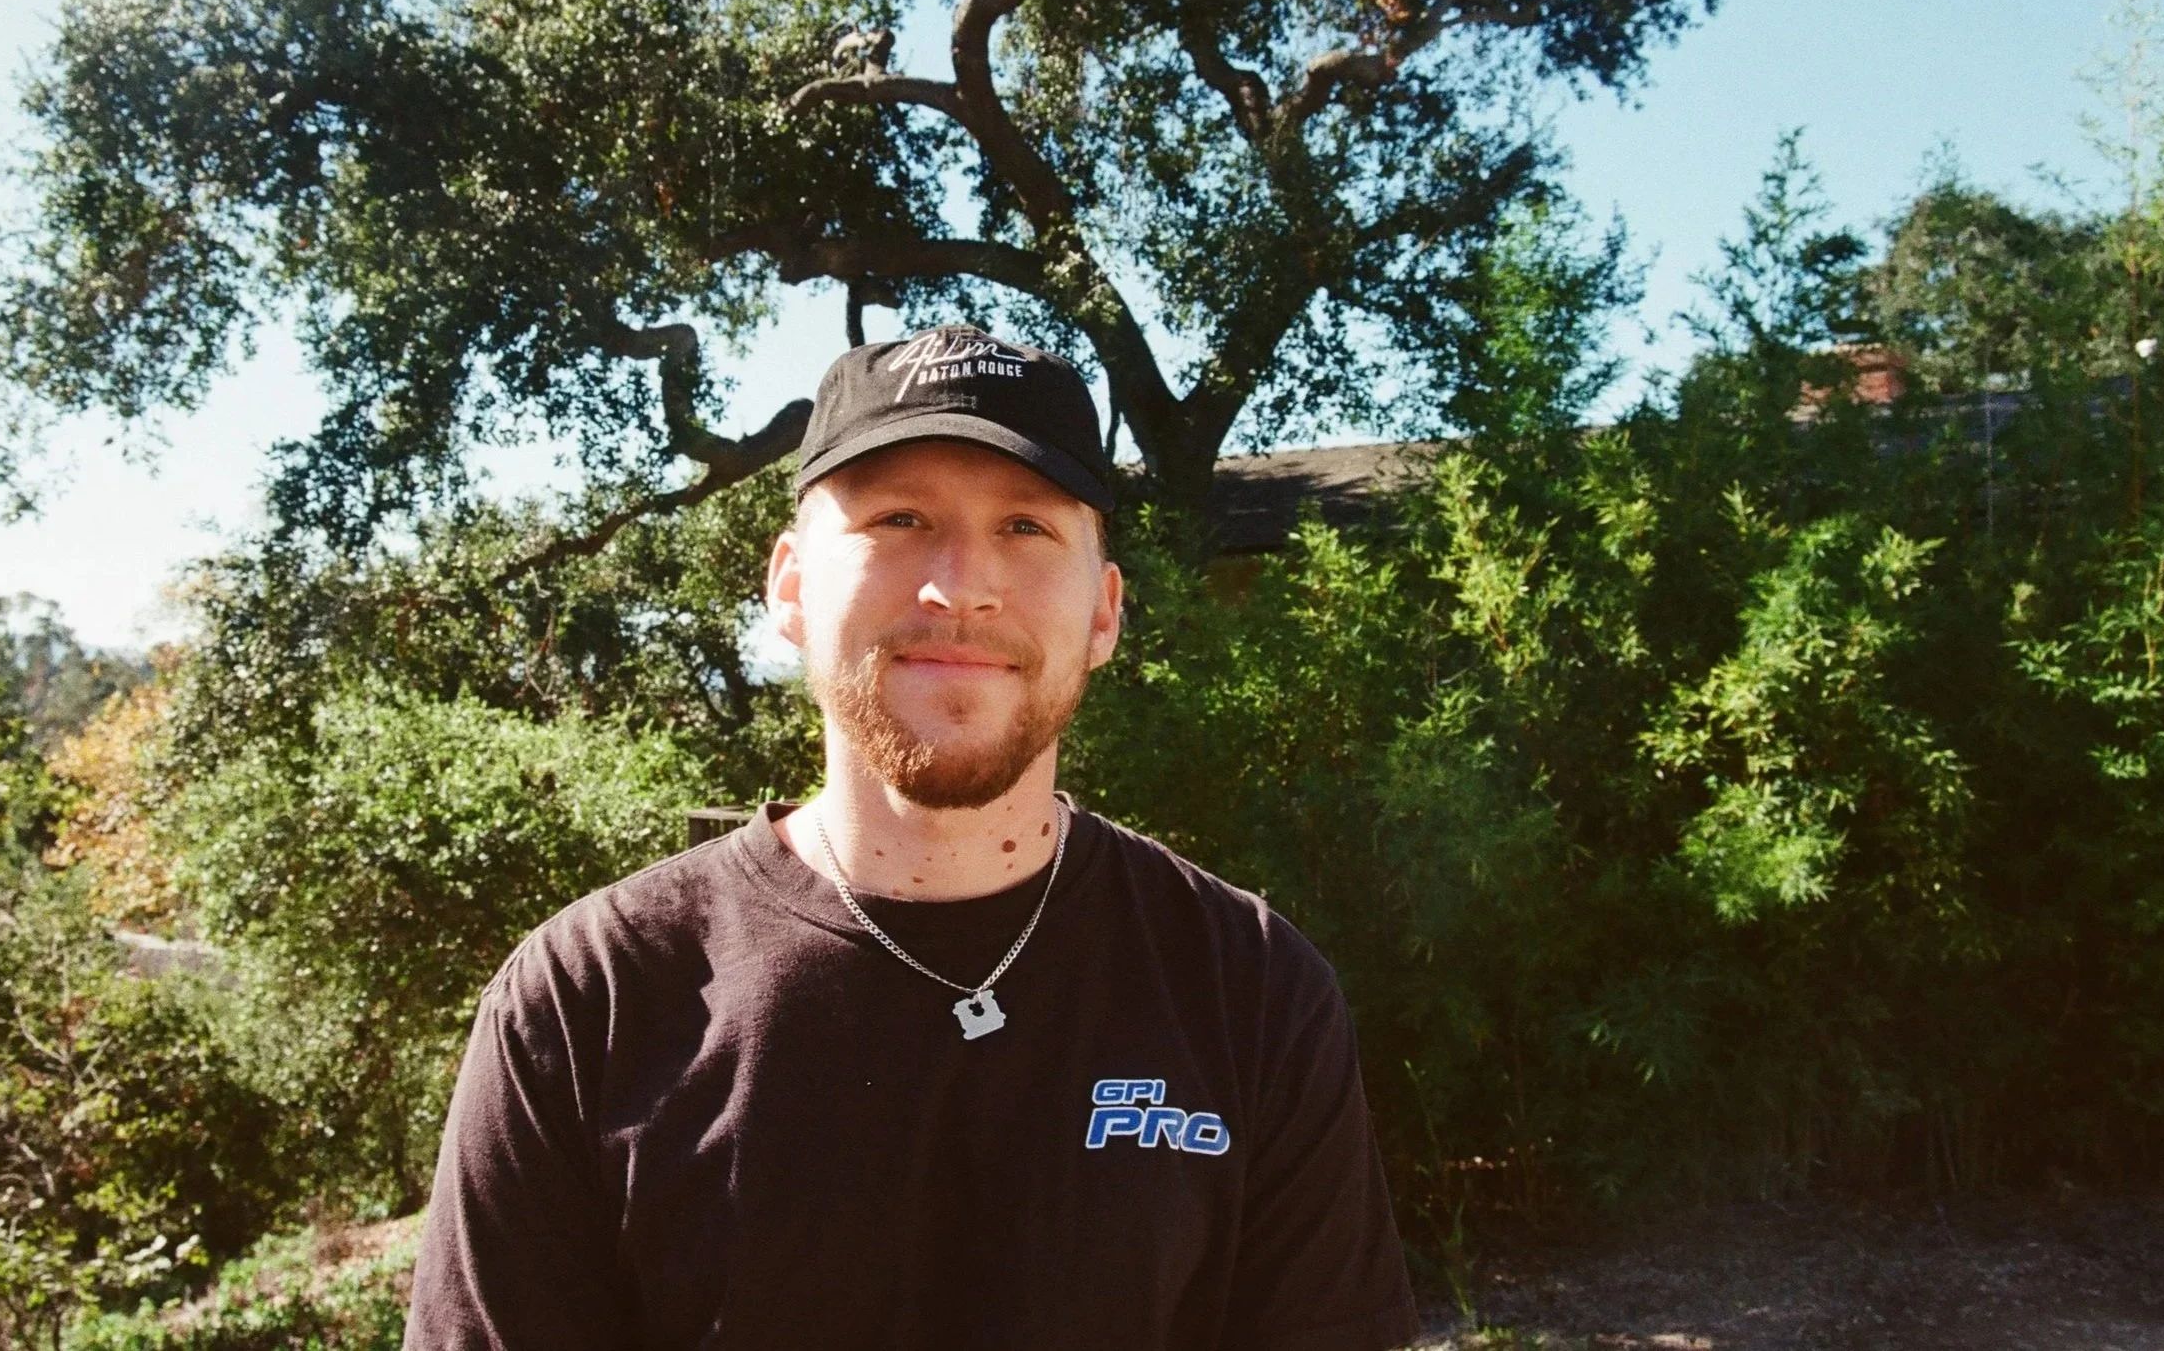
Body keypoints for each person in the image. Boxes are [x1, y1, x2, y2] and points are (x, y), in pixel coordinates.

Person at [403, 325, 1422, 1351]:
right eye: (899, 518)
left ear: (1105, 612)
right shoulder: (588, 1002)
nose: (960, 583)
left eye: (1026, 527)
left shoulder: (1251, 988)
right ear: (792, 585)